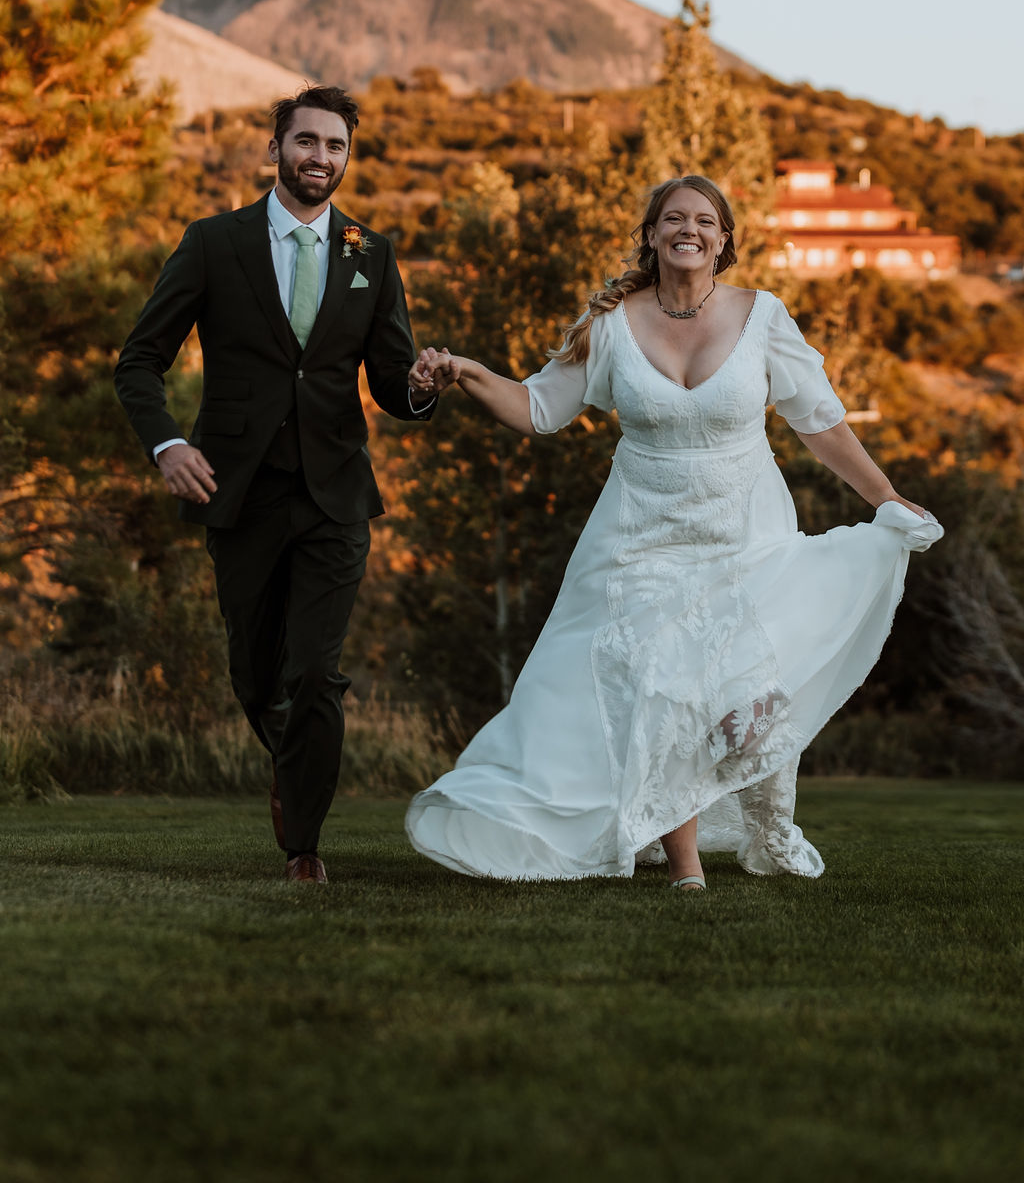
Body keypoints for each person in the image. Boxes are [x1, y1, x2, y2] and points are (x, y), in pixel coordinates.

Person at [405, 175, 942, 890]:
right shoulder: (612, 324)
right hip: (639, 536)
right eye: (674, 219)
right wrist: (467, 373)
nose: (689, 229)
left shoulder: (763, 315)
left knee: (735, 697)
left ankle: (744, 823)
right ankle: (684, 866)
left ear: (723, 241)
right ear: (653, 235)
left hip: (743, 530)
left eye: (705, 221)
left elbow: (821, 423)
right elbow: (538, 409)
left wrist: (887, 498)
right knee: (660, 681)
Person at [115, 85, 435, 884]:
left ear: (347, 158)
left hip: (336, 496)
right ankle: (291, 771)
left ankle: (304, 847)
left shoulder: (372, 255)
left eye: (335, 146)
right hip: (239, 490)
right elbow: (138, 362)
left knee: (316, 672)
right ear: (276, 149)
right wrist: (167, 445)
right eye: (307, 142)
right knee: (258, 676)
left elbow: (394, 385)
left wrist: (423, 384)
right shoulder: (213, 244)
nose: (320, 157)